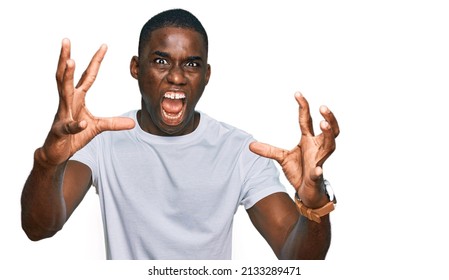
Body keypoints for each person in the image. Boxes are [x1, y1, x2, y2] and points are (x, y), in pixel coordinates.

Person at [20, 8, 339, 260]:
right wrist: (47, 162)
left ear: (206, 75)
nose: (176, 76)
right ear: (136, 68)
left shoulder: (241, 150)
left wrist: (315, 202)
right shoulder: (101, 141)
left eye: (191, 64)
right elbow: (39, 228)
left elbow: (298, 256)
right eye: (160, 61)